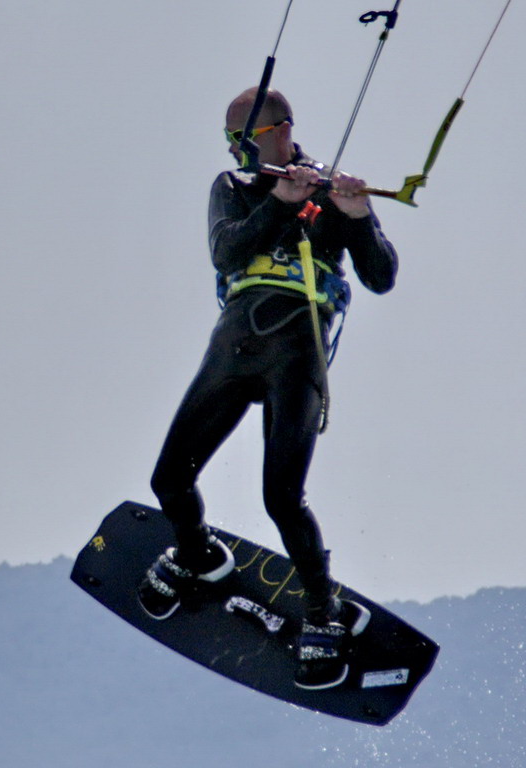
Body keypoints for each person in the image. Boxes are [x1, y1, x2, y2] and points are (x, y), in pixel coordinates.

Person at [138, 86, 398, 690]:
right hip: (235, 347)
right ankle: (198, 558)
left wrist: (359, 217)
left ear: (282, 131)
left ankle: (323, 612)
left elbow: (381, 275)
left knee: (281, 497)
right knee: (169, 479)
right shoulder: (233, 188)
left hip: (298, 351)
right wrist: (280, 202)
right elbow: (226, 253)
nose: (236, 150)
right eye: (230, 140)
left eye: (244, 139)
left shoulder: (331, 192)